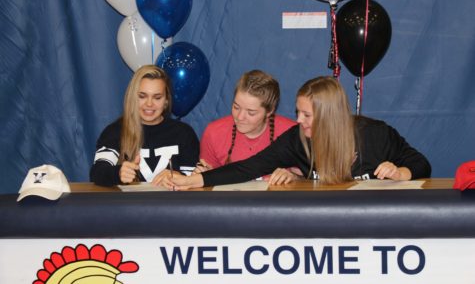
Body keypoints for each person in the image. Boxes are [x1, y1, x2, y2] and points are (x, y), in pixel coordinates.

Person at [158, 76, 431, 189]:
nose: (299, 120)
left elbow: (422, 164)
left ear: (329, 115)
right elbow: (247, 168)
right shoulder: (297, 139)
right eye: (298, 112)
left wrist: (401, 173)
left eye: (307, 115)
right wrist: (191, 181)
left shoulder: (376, 134)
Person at [90, 65, 199, 186]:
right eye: (142, 96)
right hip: (128, 205)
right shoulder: (115, 131)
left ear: (166, 101)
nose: (149, 103)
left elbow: (193, 182)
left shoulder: (184, 133)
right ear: (132, 98)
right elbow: (97, 173)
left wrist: (178, 176)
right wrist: (118, 173)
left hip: (173, 205)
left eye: (157, 97)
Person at [193, 69, 297, 181]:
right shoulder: (214, 132)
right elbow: (207, 182)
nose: (240, 117)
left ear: (269, 111)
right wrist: (204, 175)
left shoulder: (292, 133)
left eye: (251, 112)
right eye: (236, 107)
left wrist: (295, 178)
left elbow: (312, 180)